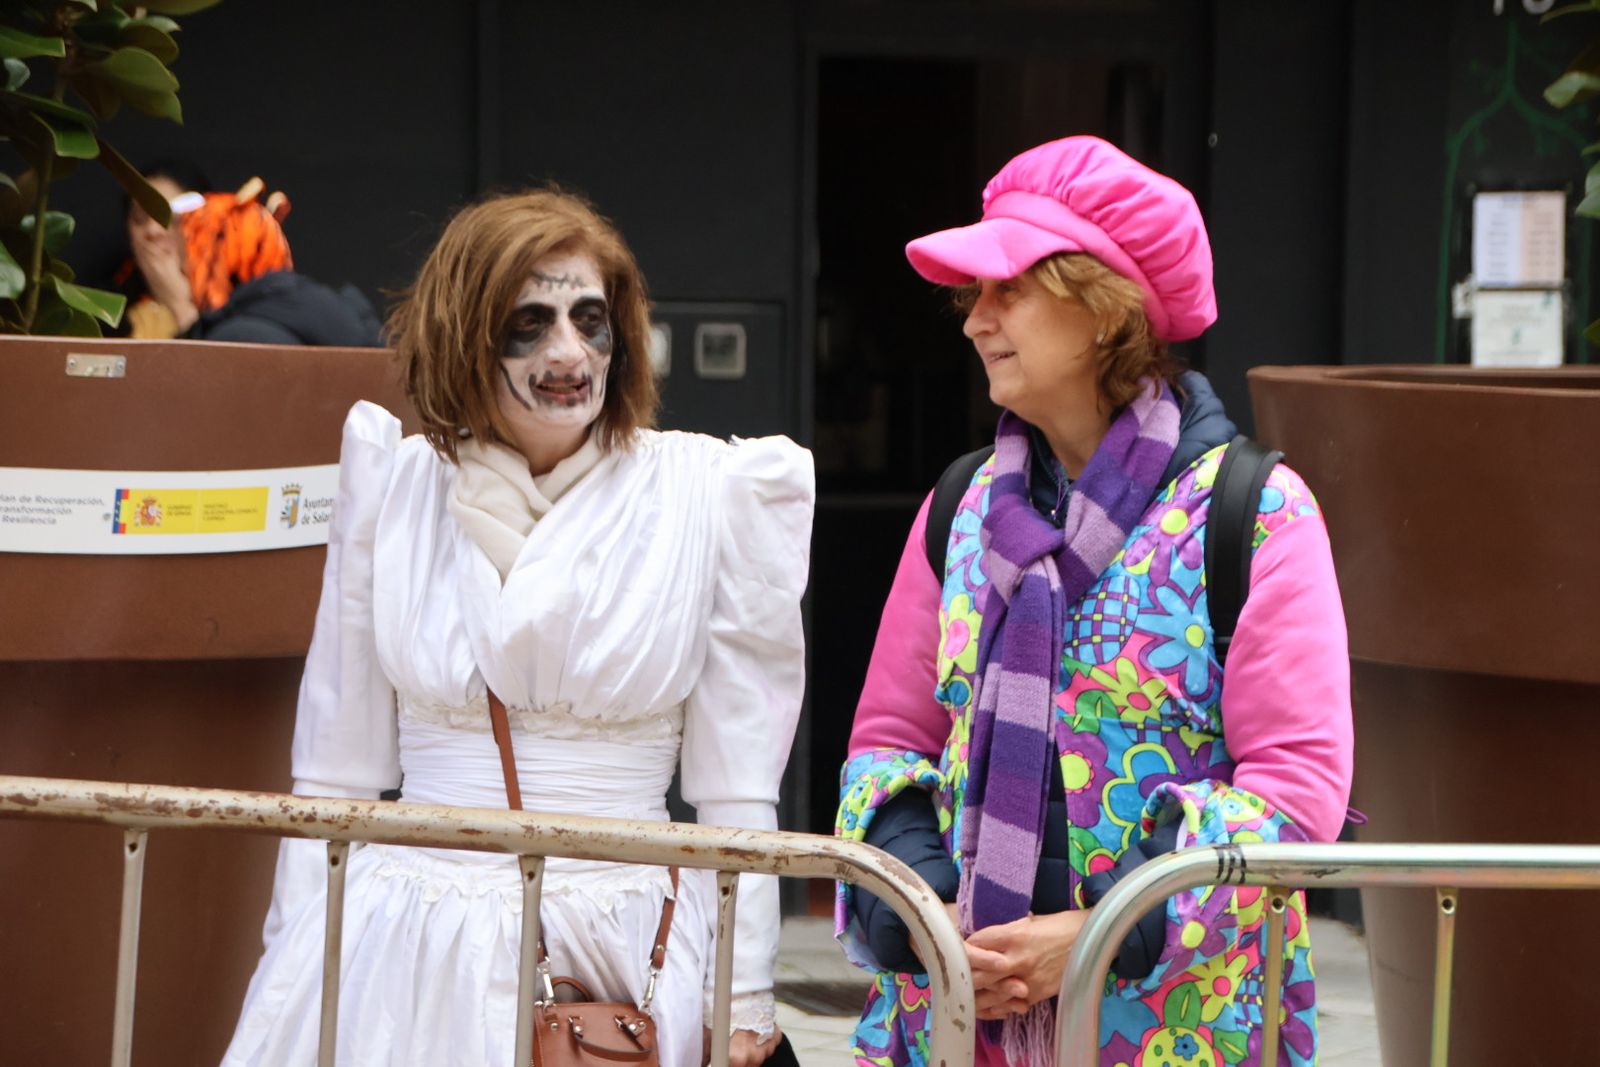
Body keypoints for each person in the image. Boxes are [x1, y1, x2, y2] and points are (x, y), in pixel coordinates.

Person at [221, 189, 813, 1067]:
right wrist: (297, 956)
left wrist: (747, 990)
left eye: (591, 318)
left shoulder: (711, 491)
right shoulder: (394, 485)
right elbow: (332, 771)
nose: (569, 351)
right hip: (407, 948)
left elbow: (738, 786)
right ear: (465, 334)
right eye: (528, 322)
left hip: (625, 951)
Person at [834, 136, 1353, 1067]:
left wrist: (1101, 931)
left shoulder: (1254, 513)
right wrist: (923, 915)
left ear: (1104, 305)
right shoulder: (958, 510)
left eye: (1008, 288)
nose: (973, 321)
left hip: (1177, 1026)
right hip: (958, 1021)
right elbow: (889, 745)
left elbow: (1293, 791)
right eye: (973, 294)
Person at [120, 166, 381, 346]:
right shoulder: (116, 314)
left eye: (175, 219)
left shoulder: (250, 321)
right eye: (139, 219)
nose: (153, 232)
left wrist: (182, 310)